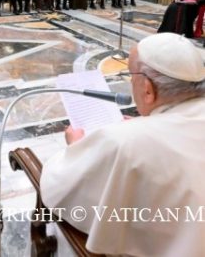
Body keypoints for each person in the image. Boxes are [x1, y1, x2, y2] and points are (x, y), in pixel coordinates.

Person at [41, 33, 205, 256]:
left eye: (131, 76)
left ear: (147, 89)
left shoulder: (124, 141)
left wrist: (75, 148)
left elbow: (61, 189)